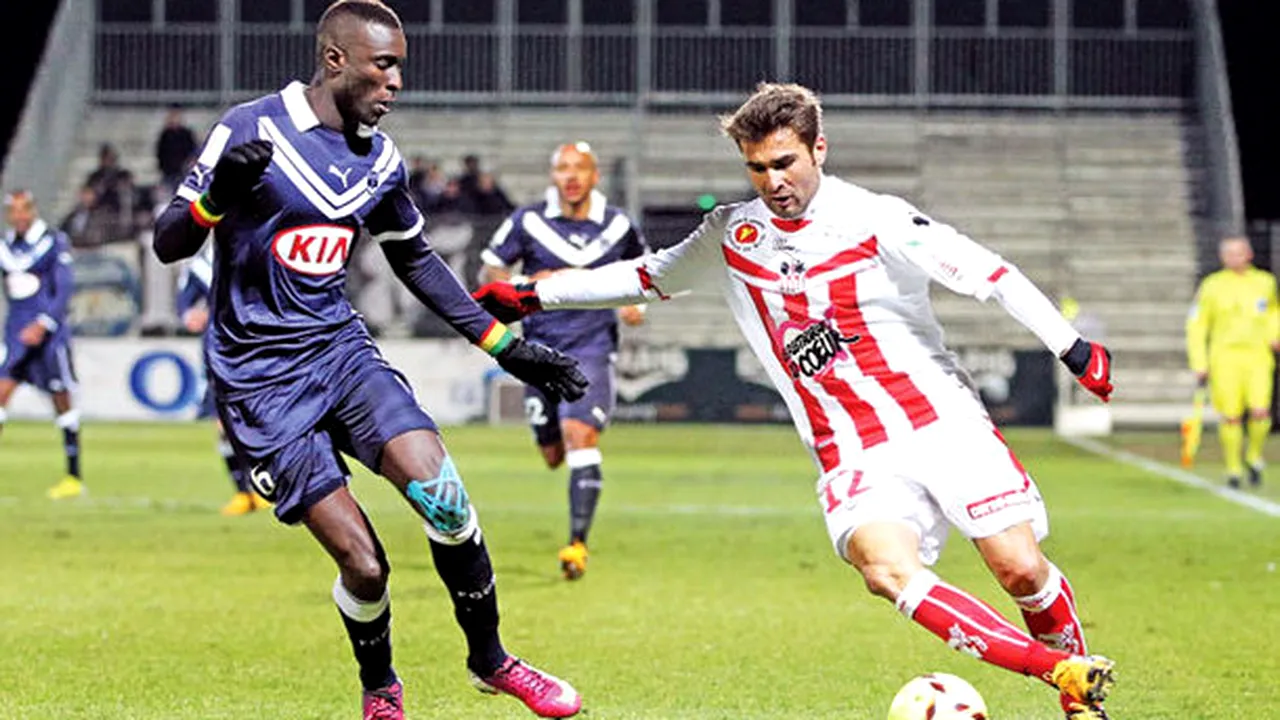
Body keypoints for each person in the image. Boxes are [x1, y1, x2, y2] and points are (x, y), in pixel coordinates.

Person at [475, 83, 1117, 720]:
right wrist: (531, 293)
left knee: (1020, 571)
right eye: (757, 167)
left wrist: (1074, 349)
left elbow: (992, 274)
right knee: (885, 570)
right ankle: (1063, 675)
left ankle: (1075, 698)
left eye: (785, 162)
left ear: (819, 150)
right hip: (848, 446)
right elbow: (648, 276)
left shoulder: (879, 218)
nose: (772, 180)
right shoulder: (733, 233)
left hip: (938, 420)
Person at [151, 2, 586, 718]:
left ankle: (492, 659)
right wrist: (215, 200)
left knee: (444, 498)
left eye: (399, 69)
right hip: (260, 383)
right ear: (335, 61)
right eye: (383, 66)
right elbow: (171, 241)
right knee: (364, 563)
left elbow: (415, 260)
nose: (395, 83)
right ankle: (381, 688)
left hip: (340, 353)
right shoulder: (250, 126)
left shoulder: (380, 160)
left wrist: (506, 346)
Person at [480, 141, 648, 580]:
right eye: (563, 169)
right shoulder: (529, 221)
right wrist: (526, 282)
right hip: (538, 353)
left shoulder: (617, 226)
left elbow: (644, 271)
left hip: (592, 348)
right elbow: (490, 271)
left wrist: (637, 305)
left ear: (595, 176)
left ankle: (576, 546)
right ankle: (574, 526)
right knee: (553, 453)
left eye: (580, 169)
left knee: (580, 436)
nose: (571, 177)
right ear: (552, 176)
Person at [175, 241, 271, 515]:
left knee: (258, 421)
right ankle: (242, 492)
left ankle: (262, 486)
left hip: (254, 347)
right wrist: (189, 315)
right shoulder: (200, 266)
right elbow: (184, 303)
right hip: (218, 350)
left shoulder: (252, 253)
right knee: (224, 424)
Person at [0, 190, 83, 499]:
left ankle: (73, 476)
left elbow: (64, 288)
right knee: (1, 394)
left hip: (49, 336)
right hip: (16, 336)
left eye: (24, 210)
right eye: (14, 211)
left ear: (32, 211)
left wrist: (44, 322)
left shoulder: (53, 242)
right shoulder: (7, 247)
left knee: (61, 399)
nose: (19, 216)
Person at [1186, 236, 1280, 488]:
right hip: (1224, 357)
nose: (1234, 257)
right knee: (1231, 416)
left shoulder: (1265, 282)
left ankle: (1253, 455)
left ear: (1248, 254)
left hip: (1259, 356)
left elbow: (1273, 312)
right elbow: (1197, 324)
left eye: (1239, 252)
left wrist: (1275, 334)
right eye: (1229, 253)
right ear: (1222, 257)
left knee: (1261, 410)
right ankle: (1233, 468)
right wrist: (1199, 361)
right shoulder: (1212, 285)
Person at [156, 106, 200, 193]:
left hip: (183, 171)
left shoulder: (186, 134)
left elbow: (193, 150)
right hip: (169, 172)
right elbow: (161, 153)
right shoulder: (165, 135)